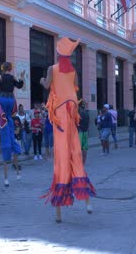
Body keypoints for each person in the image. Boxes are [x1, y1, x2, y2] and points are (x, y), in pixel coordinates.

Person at [40, 37, 95, 223]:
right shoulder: (73, 71)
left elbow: (48, 85)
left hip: (60, 115)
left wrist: (41, 80)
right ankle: (87, 201)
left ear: (57, 54)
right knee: (75, 152)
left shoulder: (52, 69)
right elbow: (75, 90)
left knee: (62, 156)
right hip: (72, 112)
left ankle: (59, 209)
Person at [0, 62, 24, 187]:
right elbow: (19, 85)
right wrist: (21, 77)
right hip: (11, 99)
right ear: (11, 69)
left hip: (2, 98)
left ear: (3, 69)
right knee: (8, 118)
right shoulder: (13, 77)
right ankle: (17, 173)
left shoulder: (0, 77)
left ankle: (6, 177)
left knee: (2, 119)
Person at [78, 100, 90, 165]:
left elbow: (76, 123)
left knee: (79, 148)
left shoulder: (79, 114)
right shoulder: (87, 113)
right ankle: (83, 162)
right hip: (85, 132)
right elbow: (88, 123)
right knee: (84, 148)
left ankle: (79, 162)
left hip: (79, 132)